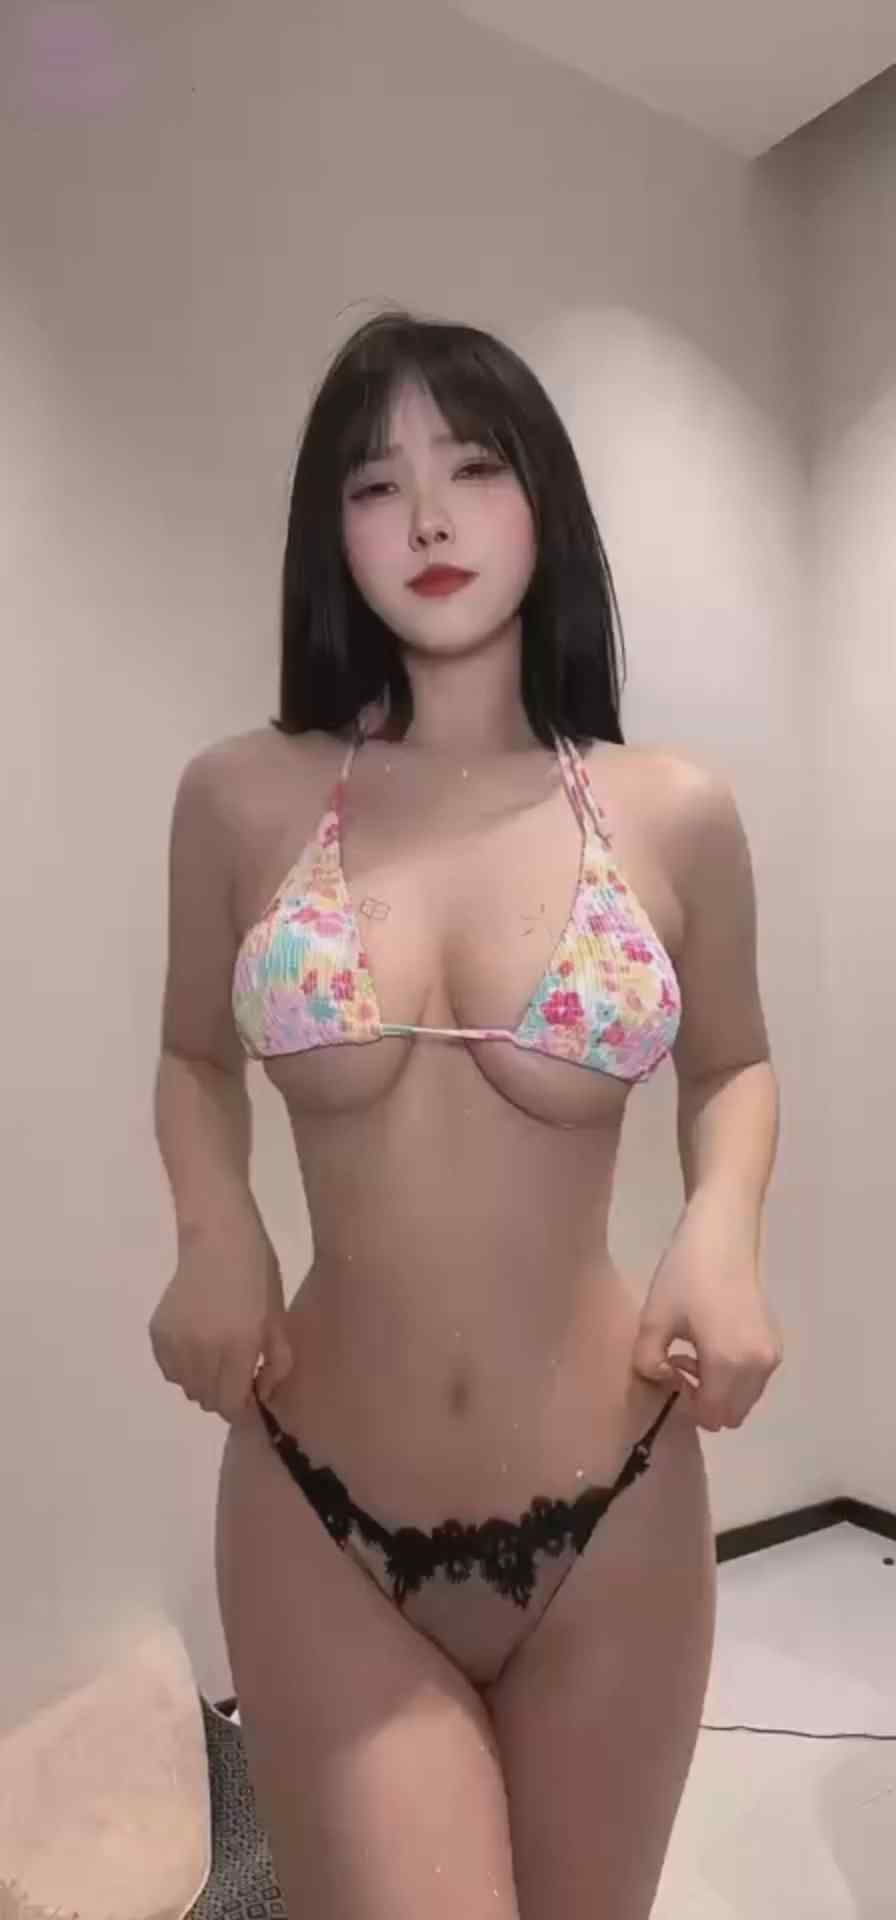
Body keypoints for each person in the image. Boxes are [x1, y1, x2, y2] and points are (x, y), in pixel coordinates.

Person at [150, 309, 782, 1919]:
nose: (428, 518)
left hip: (615, 1508)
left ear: (543, 502)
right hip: (325, 1508)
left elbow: (732, 1064)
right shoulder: (242, 799)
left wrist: (721, 1232)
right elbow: (193, 1056)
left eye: (474, 468)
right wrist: (215, 1228)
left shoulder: (672, 813)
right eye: (378, 484)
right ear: (332, 531)